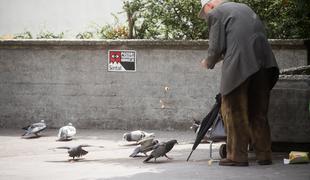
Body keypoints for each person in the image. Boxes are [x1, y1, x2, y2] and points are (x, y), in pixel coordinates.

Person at [198, 0, 279, 166]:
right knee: (258, 111)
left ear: (209, 6)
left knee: (233, 110)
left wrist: (208, 62)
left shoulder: (216, 13)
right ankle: (264, 154)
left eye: (205, 14)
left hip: (240, 66)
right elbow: (239, 40)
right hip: (264, 63)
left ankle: (237, 156)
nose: (206, 17)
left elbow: (216, 47)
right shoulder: (243, 7)